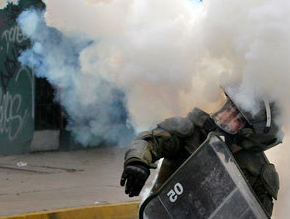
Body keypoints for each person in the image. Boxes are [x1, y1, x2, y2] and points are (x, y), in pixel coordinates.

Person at [120, 86, 281, 217]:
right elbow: (151, 141)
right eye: (229, 108)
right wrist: (137, 162)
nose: (224, 118)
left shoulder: (258, 175)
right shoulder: (193, 132)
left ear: (250, 134)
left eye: (237, 119)